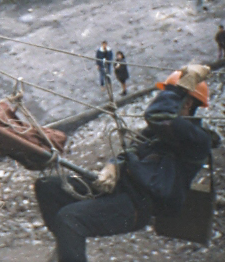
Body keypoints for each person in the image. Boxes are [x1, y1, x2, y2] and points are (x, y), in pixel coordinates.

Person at [34, 64, 215, 262]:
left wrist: (182, 86)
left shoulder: (196, 140)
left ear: (187, 103)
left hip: (138, 204)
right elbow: (131, 150)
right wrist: (113, 165)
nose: (160, 100)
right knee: (47, 187)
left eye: (168, 96)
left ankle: (69, 249)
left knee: (70, 219)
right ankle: (66, 251)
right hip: (122, 188)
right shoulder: (158, 133)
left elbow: (157, 114)